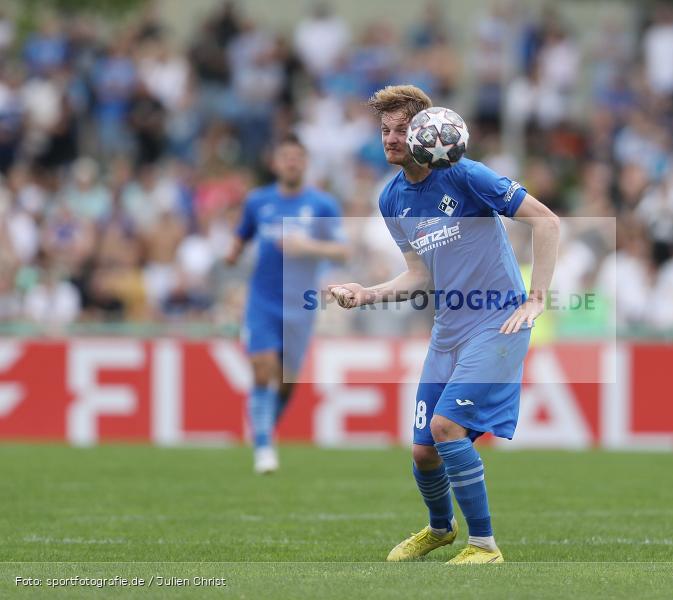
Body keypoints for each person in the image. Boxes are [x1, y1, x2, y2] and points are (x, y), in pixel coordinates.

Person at [329, 85, 560, 564]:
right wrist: (367, 293)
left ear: (426, 132)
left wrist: (537, 298)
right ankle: (439, 529)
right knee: (423, 452)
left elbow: (546, 221)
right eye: (384, 131)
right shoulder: (392, 199)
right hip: (448, 331)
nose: (390, 140)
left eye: (399, 130)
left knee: (446, 427)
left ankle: (485, 546)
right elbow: (419, 275)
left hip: (497, 322)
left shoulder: (465, 176)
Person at [226, 134, 348, 473]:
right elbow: (243, 234)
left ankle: (264, 426)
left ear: (305, 163)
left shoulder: (322, 205)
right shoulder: (258, 201)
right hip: (262, 300)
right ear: (275, 163)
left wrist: (307, 247)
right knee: (263, 367)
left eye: (297, 157)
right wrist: (232, 252)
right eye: (285, 156)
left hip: (300, 304)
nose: (291, 162)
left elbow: (342, 250)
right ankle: (263, 445)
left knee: (287, 381)